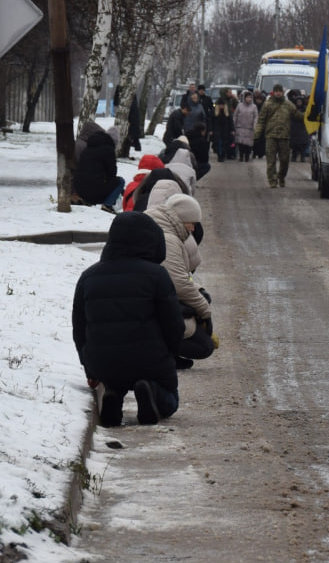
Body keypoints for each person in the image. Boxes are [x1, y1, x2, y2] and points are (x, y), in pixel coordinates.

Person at [72, 211, 183, 427]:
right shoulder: (157, 275)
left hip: (103, 362)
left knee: (116, 376)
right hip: (151, 360)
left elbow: (79, 327)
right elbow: (173, 324)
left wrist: (90, 367)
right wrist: (170, 354)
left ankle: (113, 395)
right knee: (171, 400)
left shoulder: (88, 276)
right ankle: (151, 391)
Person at [145, 194, 216, 367]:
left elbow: (179, 277)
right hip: (152, 304)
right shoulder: (168, 240)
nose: (193, 228)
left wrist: (199, 290)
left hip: (150, 298)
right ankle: (161, 353)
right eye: (192, 222)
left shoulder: (161, 228)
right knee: (204, 346)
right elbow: (179, 284)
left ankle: (165, 351)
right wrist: (205, 312)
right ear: (181, 219)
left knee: (199, 298)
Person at [253, 83, 300, 188]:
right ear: (273, 92)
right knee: (271, 161)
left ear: (282, 92)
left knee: (284, 160)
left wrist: (308, 114)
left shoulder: (288, 105)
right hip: (271, 136)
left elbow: (297, 115)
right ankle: (272, 180)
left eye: (280, 91)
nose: (278, 93)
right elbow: (261, 120)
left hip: (284, 137)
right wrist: (257, 134)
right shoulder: (267, 104)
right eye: (276, 91)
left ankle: (281, 176)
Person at [71, 123, 125, 213]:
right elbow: (112, 173)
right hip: (92, 191)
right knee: (120, 181)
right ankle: (107, 205)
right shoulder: (108, 150)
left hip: (79, 188)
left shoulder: (88, 147)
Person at [233, 91, 258, 162]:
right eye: (247, 97)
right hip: (240, 127)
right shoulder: (239, 105)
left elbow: (256, 117)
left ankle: (247, 157)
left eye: (250, 97)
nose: (248, 99)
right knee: (241, 144)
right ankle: (241, 156)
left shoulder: (254, 107)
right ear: (244, 98)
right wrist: (234, 125)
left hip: (249, 128)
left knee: (248, 144)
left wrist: (255, 125)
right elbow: (235, 115)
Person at [288, 89, 312, 162]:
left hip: (302, 131)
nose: (299, 103)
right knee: (294, 146)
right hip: (294, 130)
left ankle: (302, 157)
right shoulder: (293, 109)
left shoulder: (305, 109)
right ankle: (294, 156)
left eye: (300, 102)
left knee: (303, 146)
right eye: (298, 102)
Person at [210, 98, 233, 163]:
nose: (221, 106)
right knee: (219, 144)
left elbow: (230, 121)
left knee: (225, 144)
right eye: (220, 105)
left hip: (226, 130)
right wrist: (211, 130)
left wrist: (232, 129)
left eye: (222, 105)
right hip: (217, 131)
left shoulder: (227, 111)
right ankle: (220, 155)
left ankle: (223, 154)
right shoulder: (214, 111)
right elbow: (211, 121)